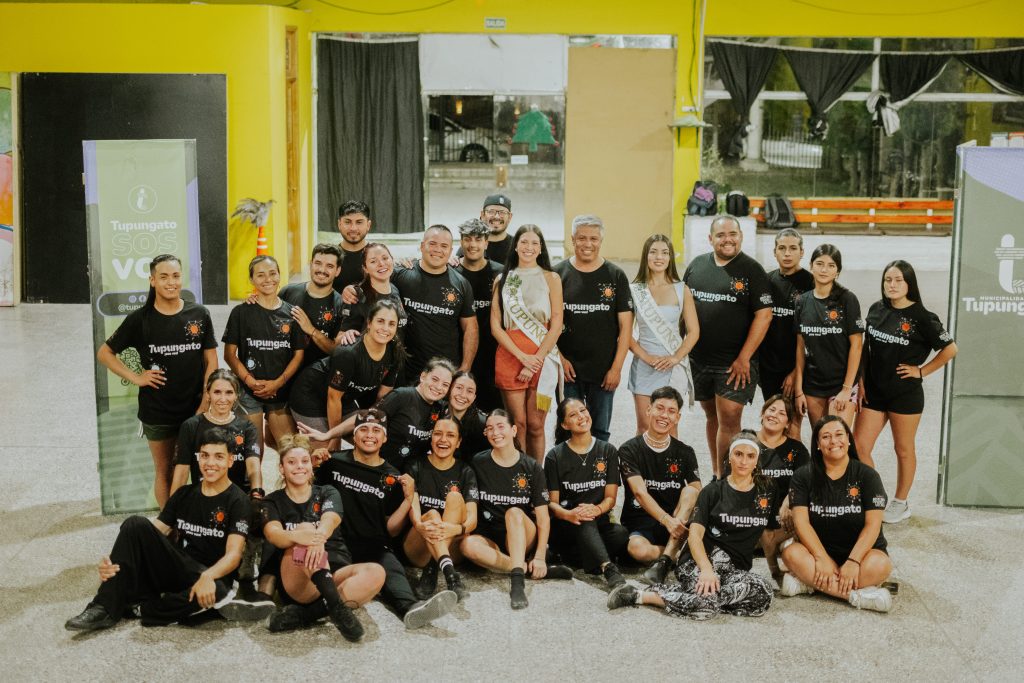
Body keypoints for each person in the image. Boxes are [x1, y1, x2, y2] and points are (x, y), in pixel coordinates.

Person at [65, 428, 260, 631]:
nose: (210, 463)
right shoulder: (184, 494)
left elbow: (234, 555)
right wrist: (111, 561)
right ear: (198, 458)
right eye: (205, 456)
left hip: (211, 573)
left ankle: (140, 608)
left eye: (218, 457)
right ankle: (103, 607)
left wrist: (208, 576)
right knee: (134, 524)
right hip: (179, 566)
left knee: (217, 592)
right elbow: (154, 532)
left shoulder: (238, 501)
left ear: (230, 460)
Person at [607, 431, 775, 621]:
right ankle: (638, 595)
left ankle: (696, 597)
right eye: (738, 454)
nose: (744, 461)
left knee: (764, 593)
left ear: (757, 460)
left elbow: (769, 533)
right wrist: (706, 569)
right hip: (699, 561)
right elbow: (694, 536)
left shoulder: (766, 492)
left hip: (734, 571)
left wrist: (775, 570)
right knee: (707, 608)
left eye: (750, 456)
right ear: (729, 457)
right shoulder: (712, 491)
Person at [315, 409, 458, 629]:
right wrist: (313, 463)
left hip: (373, 545)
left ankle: (411, 609)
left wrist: (408, 499)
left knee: (394, 571)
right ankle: (312, 608)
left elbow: (391, 530)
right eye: (363, 429)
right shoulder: (333, 462)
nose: (369, 435)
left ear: (385, 438)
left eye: (376, 430)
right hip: (335, 542)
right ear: (354, 435)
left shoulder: (393, 477)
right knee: (321, 583)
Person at [97, 253, 218, 508]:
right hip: (158, 412)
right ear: (152, 280)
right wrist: (136, 377)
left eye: (175, 276)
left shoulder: (199, 314)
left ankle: (195, 522)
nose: (171, 282)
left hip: (195, 408)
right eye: (164, 277)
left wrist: (206, 402)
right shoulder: (140, 319)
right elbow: (104, 353)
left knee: (200, 469)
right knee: (165, 471)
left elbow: (211, 362)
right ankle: (168, 523)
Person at [854, 260, 957, 524]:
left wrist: (921, 371)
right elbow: (866, 348)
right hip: (873, 392)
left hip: (905, 394)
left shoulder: (922, 317)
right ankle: (875, 496)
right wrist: (861, 379)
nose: (892, 285)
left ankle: (901, 502)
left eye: (898, 280)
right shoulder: (876, 309)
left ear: (909, 283)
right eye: (888, 279)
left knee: (903, 449)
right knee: (859, 446)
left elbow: (950, 349)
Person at [261, 434, 385, 640]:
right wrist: (305, 536)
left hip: (334, 574)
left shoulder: (327, 491)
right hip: (299, 580)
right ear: (282, 468)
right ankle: (336, 605)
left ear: (311, 466)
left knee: (376, 572)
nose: (299, 467)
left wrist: (318, 536)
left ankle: (307, 615)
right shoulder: (272, 501)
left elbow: (331, 519)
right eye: (291, 462)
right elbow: (274, 534)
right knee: (304, 528)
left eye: (304, 461)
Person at [683, 215, 772, 478]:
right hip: (699, 360)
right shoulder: (697, 266)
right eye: (721, 235)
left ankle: (728, 480)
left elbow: (764, 316)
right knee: (712, 416)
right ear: (710, 239)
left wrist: (744, 358)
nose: (727, 239)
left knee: (730, 419)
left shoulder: (753, 271)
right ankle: (717, 473)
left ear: (741, 237)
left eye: (733, 234)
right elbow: (684, 309)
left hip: (734, 364)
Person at [780, 416, 894, 613]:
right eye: (826, 436)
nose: (833, 441)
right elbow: (802, 522)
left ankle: (811, 583)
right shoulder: (803, 476)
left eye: (839, 434)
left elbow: (873, 524)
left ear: (848, 439)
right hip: (819, 553)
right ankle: (857, 596)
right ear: (817, 444)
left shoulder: (868, 475)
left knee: (881, 565)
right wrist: (822, 558)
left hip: (862, 555)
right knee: (791, 554)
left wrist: (853, 562)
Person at [461, 410, 574, 609]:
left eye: (500, 426)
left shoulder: (531, 466)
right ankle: (522, 568)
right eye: (489, 428)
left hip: (522, 534)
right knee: (467, 545)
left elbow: (543, 518)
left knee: (513, 512)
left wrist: (539, 556)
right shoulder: (478, 462)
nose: (495, 432)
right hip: (491, 538)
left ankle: (517, 583)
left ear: (514, 430)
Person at [554, 215, 633, 442]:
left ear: (601, 241)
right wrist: (559, 359)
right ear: (572, 239)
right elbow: (546, 324)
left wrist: (616, 368)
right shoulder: (557, 274)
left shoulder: (615, 275)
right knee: (568, 431)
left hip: (603, 371)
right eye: (581, 238)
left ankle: (598, 466)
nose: (587, 244)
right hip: (568, 371)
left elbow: (626, 327)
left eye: (593, 239)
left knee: (599, 431)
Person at [301, 357, 454, 468]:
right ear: (423, 376)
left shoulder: (440, 409)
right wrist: (328, 435)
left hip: (404, 475)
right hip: (377, 469)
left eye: (445, 384)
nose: (438, 387)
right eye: (435, 379)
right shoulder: (402, 396)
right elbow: (365, 418)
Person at [223, 255, 306, 457]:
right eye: (260, 275)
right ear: (251, 279)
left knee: (290, 451)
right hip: (249, 392)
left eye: (272, 273)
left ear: (279, 275)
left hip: (280, 392)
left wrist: (278, 382)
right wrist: (250, 381)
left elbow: (298, 355)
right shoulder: (241, 312)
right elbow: (229, 354)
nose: (268, 279)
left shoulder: (292, 314)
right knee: (253, 453)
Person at [492, 224, 563, 460]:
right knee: (518, 424)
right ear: (515, 246)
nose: (529, 247)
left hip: (543, 359)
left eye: (534, 243)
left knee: (535, 425)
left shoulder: (551, 278)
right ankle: (518, 472)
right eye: (524, 242)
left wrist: (535, 361)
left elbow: (556, 323)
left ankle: (536, 475)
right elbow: (495, 326)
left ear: (541, 248)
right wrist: (523, 358)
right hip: (511, 356)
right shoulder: (503, 279)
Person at [618, 386, 702, 585]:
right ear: (649, 410)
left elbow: (697, 490)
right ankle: (677, 554)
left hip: (677, 521)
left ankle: (664, 560)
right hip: (641, 521)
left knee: (691, 491)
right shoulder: (629, 449)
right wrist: (666, 520)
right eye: (660, 408)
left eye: (671, 411)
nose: (665, 415)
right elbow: (639, 493)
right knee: (637, 550)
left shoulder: (685, 452)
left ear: (677, 418)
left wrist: (675, 520)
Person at [544, 398, 628, 588]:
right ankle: (609, 569)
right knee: (583, 517)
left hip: (599, 520)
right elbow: (552, 503)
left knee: (621, 535)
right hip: (567, 525)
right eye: (573, 415)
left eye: (583, 410)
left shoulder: (608, 450)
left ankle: (583, 557)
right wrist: (569, 514)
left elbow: (610, 498)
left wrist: (597, 509)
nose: (581, 416)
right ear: (565, 424)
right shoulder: (554, 456)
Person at [628, 234, 699, 435]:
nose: (659, 257)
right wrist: (646, 357)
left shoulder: (682, 289)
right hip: (644, 365)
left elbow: (694, 332)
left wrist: (675, 358)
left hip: (673, 367)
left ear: (670, 258)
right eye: (653, 252)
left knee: (669, 427)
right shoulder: (635, 290)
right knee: (645, 426)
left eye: (665, 252)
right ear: (646, 255)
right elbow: (624, 334)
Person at [403, 417, 477, 601]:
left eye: (450, 435)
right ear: (431, 438)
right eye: (438, 434)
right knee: (432, 514)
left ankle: (434, 567)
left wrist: (454, 529)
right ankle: (450, 575)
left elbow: (472, 520)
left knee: (454, 496)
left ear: (458, 442)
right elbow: (414, 511)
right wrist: (420, 526)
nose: (443, 440)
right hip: (418, 546)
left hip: (452, 549)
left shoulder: (465, 471)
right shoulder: (415, 466)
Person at [392, 225, 478, 379]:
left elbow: (470, 328)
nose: (438, 249)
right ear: (422, 246)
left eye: (444, 246)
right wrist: (352, 290)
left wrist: (466, 367)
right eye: (432, 244)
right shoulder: (401, 275)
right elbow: (373, 285)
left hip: (446, 372)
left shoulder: (461, 284)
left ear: (450, 251)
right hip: (407, 369)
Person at [794, 244, 864, 429]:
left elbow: (857, 345)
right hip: (813, 385)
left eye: (831, 265)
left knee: (837, 440)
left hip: (841, 384)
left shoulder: (847, 299)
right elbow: (800, 347)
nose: (824, 270)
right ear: (811, 266)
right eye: (820, 264)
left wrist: (847, 389)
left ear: (837, 271)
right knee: (820, 439)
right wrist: (799, 389)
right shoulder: (802, 301)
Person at [170, 369, 261, 497]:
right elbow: (182, 470)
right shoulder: (191, 426)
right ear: (208, 394)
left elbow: (253, 465)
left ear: (236, 395)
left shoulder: (247, 428)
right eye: (217, 392)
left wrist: (257, 492)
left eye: (229, 392)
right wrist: (173, 505)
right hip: (202, 497)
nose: (223, 399)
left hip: (237, 497)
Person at [760, 228, 814, 438]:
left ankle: (795, 461)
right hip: (769, 368)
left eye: (793, 248)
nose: (787, 253)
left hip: (796, 368)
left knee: (792, 424)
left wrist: (795, 372)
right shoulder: (766, 281)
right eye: (782, 248)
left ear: (802, 252)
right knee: (772, 422)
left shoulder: (810, 284)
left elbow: (812, 334)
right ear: (775, 252)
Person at [754, 394, 809, 582]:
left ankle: (784, 551)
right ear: (762, 414)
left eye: (782, 413)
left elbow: (805, 482)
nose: (774, 415)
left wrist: (789, 501)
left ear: (788, 423)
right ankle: (774, 568)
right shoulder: (747, 442)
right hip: (752, 515)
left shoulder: (796, 449)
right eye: (771, 410)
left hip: (784, 518)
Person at [456, 219, 504, 411]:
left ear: (486, 243)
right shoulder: (451, 271)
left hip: (493, 357)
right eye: (468, 239)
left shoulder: (501, 274)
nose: (472, 245)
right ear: (461, 241)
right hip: (459, 355)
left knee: (493, 411)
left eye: (478, 239)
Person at [278, 243, 345, 368]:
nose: (322, 270)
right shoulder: (287, 292)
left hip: (317, 374)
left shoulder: (341, 305)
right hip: (283, 369)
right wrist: (255, 301)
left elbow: (336, 351)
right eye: (318, 263)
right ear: (310, 264)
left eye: (329, 266)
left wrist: (311, 330)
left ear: (337, 271)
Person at [338, 242, 407, 342]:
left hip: (398, 351)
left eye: (385, 258)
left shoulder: (395, 288)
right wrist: (346, 335)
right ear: (365, 268)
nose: (381, 264)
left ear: (392, 260)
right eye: (373, 261)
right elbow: (340, 338)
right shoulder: (356, 296)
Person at [441, 370, 490, 461]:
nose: (463, 395)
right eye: (459, 388)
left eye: (470, 391)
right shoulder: (436, 410)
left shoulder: (483, 424)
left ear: (474, 398)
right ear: (449, 389)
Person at [456, 193, 514, 265]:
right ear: (482, 215)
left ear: (510, 217)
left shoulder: (517, 246)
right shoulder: (470, 248)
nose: (497, 217)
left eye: (502, 212)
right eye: (491, 212)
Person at [333, 200, 373, 294]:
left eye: (359, 222)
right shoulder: (331, 257)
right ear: (339, 224)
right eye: (347, 222)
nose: (353, 228)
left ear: (368, 225)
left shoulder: (379, 257)